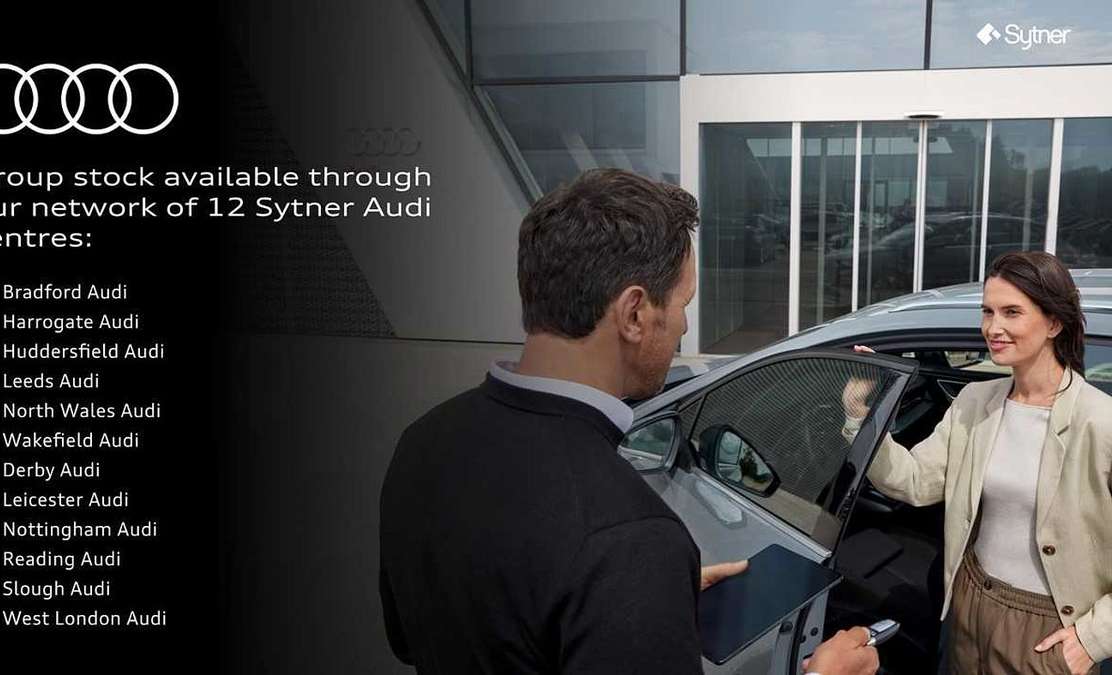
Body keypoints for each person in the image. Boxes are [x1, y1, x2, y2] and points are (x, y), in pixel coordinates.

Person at [380, 168, 880, 674]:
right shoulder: (631, 539)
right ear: (635, 314)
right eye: (683, 303)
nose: (684, 325)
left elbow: (410, 638)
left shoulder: (423, 441)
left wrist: (639, 608)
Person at [844, 251, 1111, 674]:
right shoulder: (974, 401)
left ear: (1054, 323)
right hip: (970, 603)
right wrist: (861, 415)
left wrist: (1092, 639)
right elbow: (914, 482)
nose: (993, 327)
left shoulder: (1101, 421)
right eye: (988, 311)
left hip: (1050, 627)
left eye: (1011, 312)